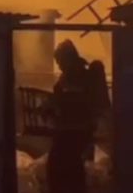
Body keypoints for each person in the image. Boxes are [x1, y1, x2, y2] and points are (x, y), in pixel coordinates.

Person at [46, 41, 108, 193]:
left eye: (60, 62)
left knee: (64, 169)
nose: (59, 66)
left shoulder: (78, 78)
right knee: (69, 169)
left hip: (74, 132)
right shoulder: (69, 78)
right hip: (73, 132)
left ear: (68, 59)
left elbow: (76, 103)